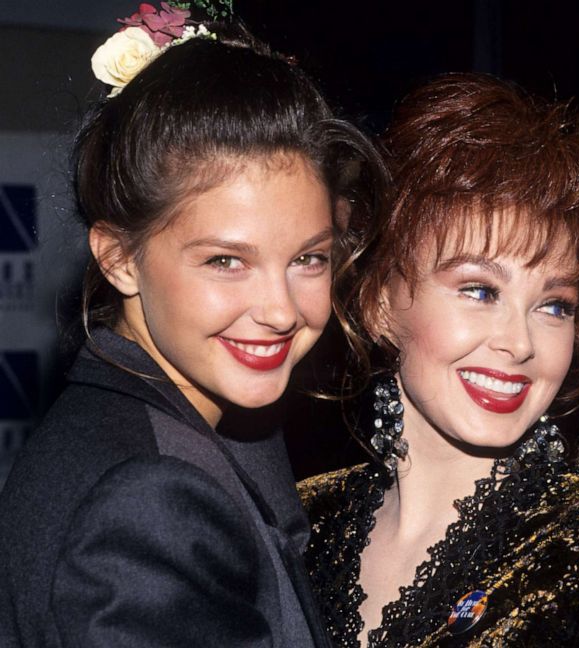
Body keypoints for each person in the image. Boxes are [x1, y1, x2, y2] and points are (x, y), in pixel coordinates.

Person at [0, 7, 383, 646]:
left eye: (308, 258)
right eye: (226, 261)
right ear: (119, 258)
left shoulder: (128, 429)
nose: (282, 310)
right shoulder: (146, 504)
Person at [299, 73, 579, 647]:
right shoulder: (297, 524)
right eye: (479, 291)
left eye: (554, 306)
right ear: (379, 302)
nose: (520, 343)